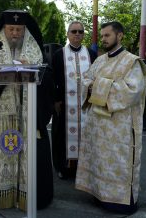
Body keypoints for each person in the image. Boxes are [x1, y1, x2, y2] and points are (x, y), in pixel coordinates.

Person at [0, 9, 54, 210]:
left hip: (30, 115)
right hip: (4, 116)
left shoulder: (36, 53)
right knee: (3, 150)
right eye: (11, 29)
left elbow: (48, 81)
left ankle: (30, 196)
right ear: (3, 30)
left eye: (19, 30)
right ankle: (2, 194)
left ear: (25, 31)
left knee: (31, 154)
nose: (15, 34)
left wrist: (31, 68)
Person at [75, 21, 146, 215]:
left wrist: (98, 85)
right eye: (103, 35)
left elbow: (132, 91)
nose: (104, 39)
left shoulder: (132, 62)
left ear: (120, 35)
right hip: (97, 125)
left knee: (119, 162)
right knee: (99, 159)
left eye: (108, 35)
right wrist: (98, 84)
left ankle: (120, 201)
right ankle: (99, 194)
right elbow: (86, 80)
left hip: (119, 127)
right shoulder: (99, 60)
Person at [52, 21, 97, 180]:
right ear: (68, 34)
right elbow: (53, 80)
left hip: (87, 104)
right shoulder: (59, 54)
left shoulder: (91, 54)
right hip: (64, 104)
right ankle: (62, 167)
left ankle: (85, 168)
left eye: (80, 31)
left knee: (87, 134)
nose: (77, 34)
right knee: (61, 135)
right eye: (74, 31)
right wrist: (56, 100)